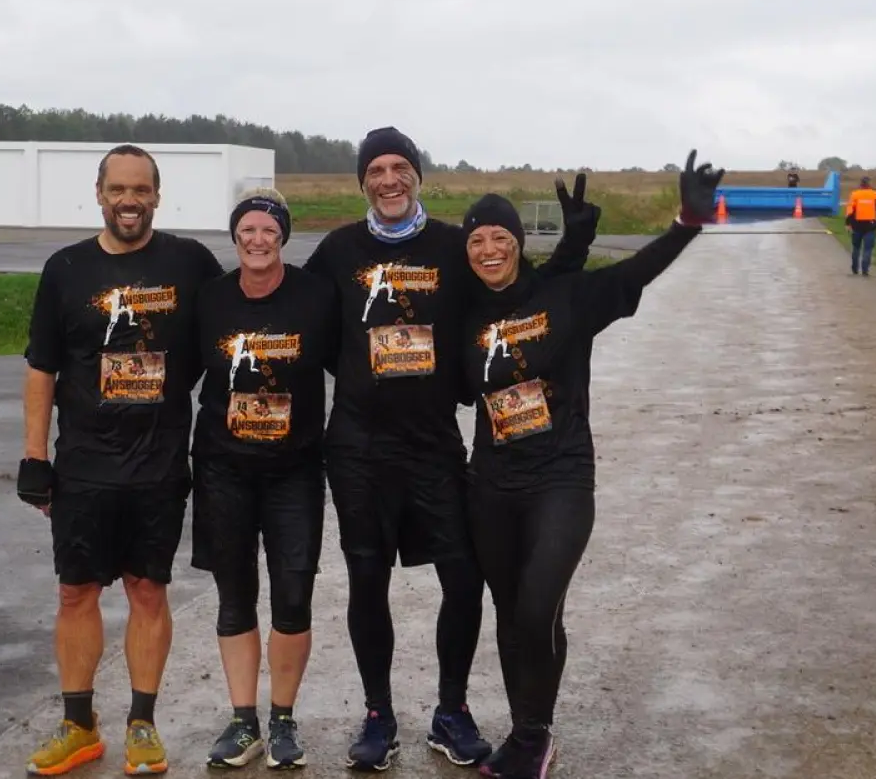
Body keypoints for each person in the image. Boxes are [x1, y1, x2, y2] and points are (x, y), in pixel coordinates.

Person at [302, 127, 597, 771]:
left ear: (416, 175)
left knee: (463, 579)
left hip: (435, 443)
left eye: (399, 167)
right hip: (357, 447)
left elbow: (514, 291)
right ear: (361, 182)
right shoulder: (336, 250)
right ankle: (378, 713)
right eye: (374, 169)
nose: (387, 179)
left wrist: (572, 249)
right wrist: (364, 378)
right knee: (366, 578)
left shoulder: (451, 249)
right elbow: (319, 334)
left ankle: (451, 709)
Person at [458, 150, 724, 779]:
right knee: (507, 609)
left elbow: (637, 272)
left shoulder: (566, 296)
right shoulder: (462, 316)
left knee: (537, 604)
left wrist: (687, 220)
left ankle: (534, 734)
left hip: (561, 477)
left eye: (501, 236)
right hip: (492, 483)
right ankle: (523, 734)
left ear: (520, 244)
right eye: (476, 239)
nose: (489, 248)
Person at [16, 143, 225, 776]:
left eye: (141, 189)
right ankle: (79, 725)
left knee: (147, 589)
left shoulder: (190, 263)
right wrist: (33, 456)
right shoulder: (66, 268)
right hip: (82, 462)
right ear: (99, 194)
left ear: (157, 196)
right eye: (118, 189)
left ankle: (142, 724)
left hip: (159, 463)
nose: (128, 200)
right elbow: (42, 367)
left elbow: (236, 326)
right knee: (75, 591)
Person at [189, 188, 340, 770]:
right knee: (234, 596)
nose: (257, 240)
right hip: (224, 467)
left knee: (293, 594)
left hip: (294, 470)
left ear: (283, 236)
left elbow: (349, 367)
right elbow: (182, 375)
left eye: (268, 230)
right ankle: (241, 720)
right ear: (235, 237)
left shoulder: (315, 297)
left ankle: (281, 720)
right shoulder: (211, 300)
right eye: (247, 230)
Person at [843, 176, 876, 276]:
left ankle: (855, 268)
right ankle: (865, 270)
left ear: (860, 185)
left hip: (856, 225)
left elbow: (849, 210)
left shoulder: (855, 195)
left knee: (856, 247)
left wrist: (847, 223)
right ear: (869, 184)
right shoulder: (875, 195)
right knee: (868, 249)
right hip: (870, 226)